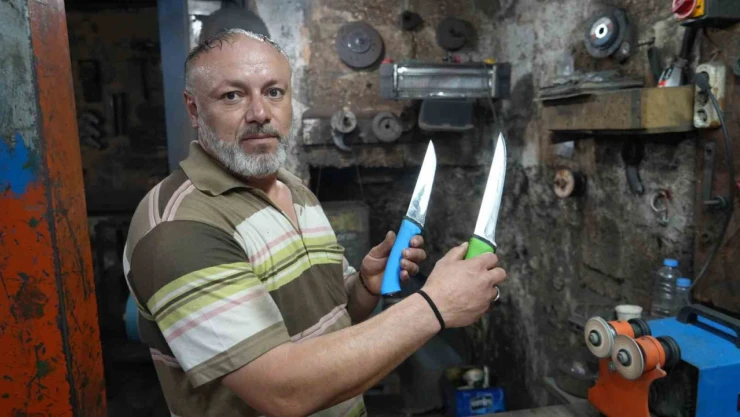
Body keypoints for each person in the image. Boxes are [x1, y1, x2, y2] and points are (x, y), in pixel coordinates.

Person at [123, 29, 506, 417]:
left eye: (274, 92)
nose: (260, 113)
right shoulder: (179, 228)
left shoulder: (293, 190)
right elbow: (283, 392)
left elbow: (332, 321)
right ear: (193, 109)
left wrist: (364, 287)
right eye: (232, 96)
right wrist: (435, 305)